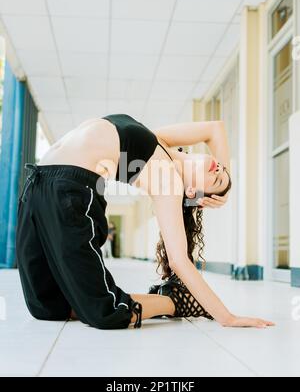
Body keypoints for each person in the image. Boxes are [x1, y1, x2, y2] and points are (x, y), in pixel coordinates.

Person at [16, 114, 275, 330]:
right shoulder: (161, 141)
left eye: (217, 180)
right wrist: (227, 188)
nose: (219, 170)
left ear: (192, 193)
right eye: (222, 169)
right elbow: (214, 129)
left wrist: (227, 318)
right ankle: (89, 303)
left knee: (105, 312)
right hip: (36, 183)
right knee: (47, 306)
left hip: (70, 192)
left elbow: (178, 260)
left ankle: (174, 301)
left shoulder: (170, 183)